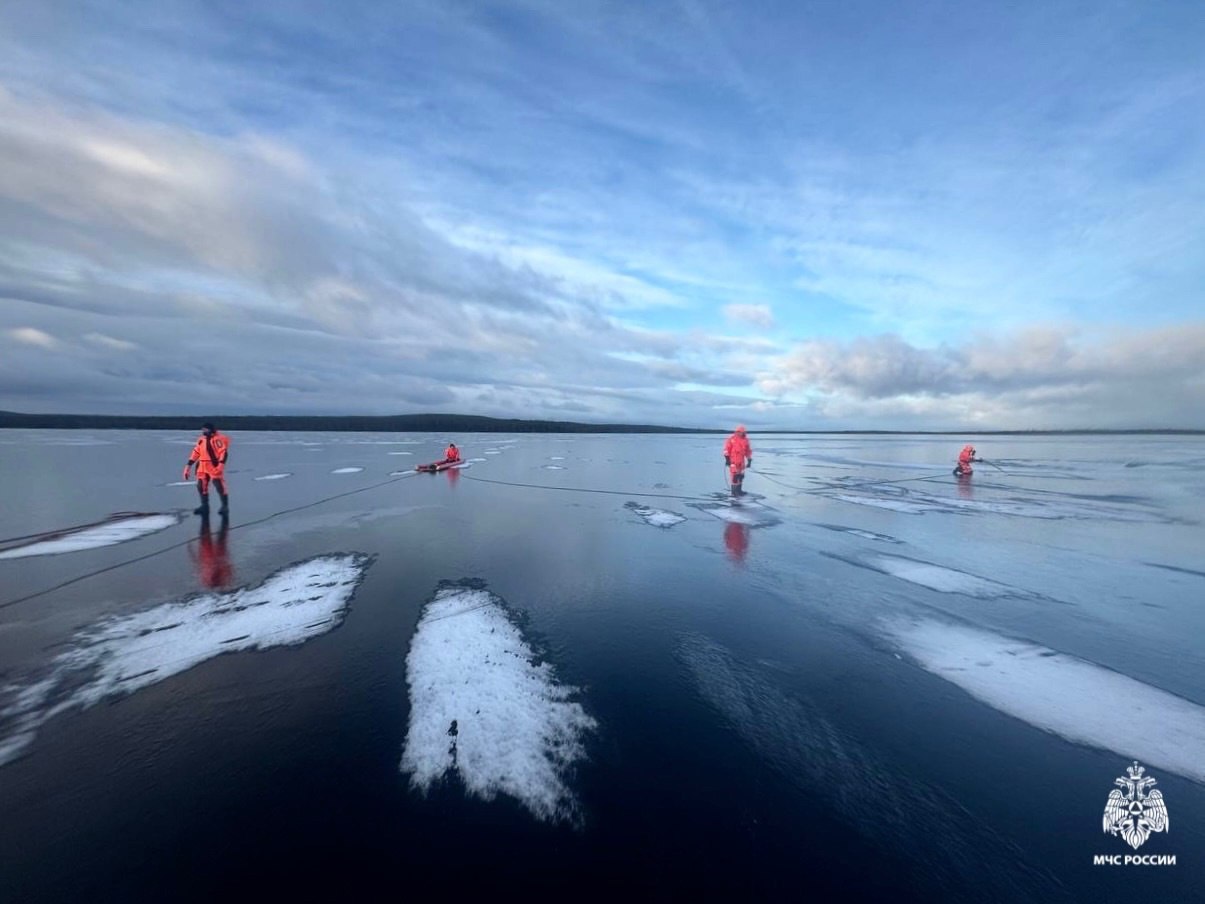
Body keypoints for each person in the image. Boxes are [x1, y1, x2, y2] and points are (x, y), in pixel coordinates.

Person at [184, 422, 230, 515]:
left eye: (206, 429)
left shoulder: (217, 440)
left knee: (219, 485)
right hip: (202, 465)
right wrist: (188, 466)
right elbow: (196, 452)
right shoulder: (201, 440)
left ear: (211, 430)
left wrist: (220, 465)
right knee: (201, 486)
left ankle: (224, 506)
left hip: (213, 465)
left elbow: (223, 453)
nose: (204, 431)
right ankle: (204, 506)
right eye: (203, 430)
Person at [723, 425, 753, 494]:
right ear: (737, 432)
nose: (743, 434)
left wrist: (749, 460)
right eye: (741, 432)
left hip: (741, 462)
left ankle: (739, 491)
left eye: (744, 432)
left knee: (741, 476)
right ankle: (734, 493)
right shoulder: (731, 439)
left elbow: (748, 451)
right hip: (733, 461)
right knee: (735, 477)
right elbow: (726, 450)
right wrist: (727, 459)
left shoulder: (746, 440)